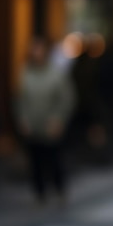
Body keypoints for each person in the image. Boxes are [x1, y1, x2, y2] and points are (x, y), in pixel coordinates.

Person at [14, 36, 75, 204]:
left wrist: (58, 119)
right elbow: (20, 98)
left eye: (39, 49)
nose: (36, 53)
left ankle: (60, 190)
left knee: (54, 161)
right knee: (35, 163)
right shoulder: (26, 72)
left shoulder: (56, 74)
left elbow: (66, 99)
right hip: (33, 126)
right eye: (33, 49)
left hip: (51, 126)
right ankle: (40, 194)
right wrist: (22, 118)